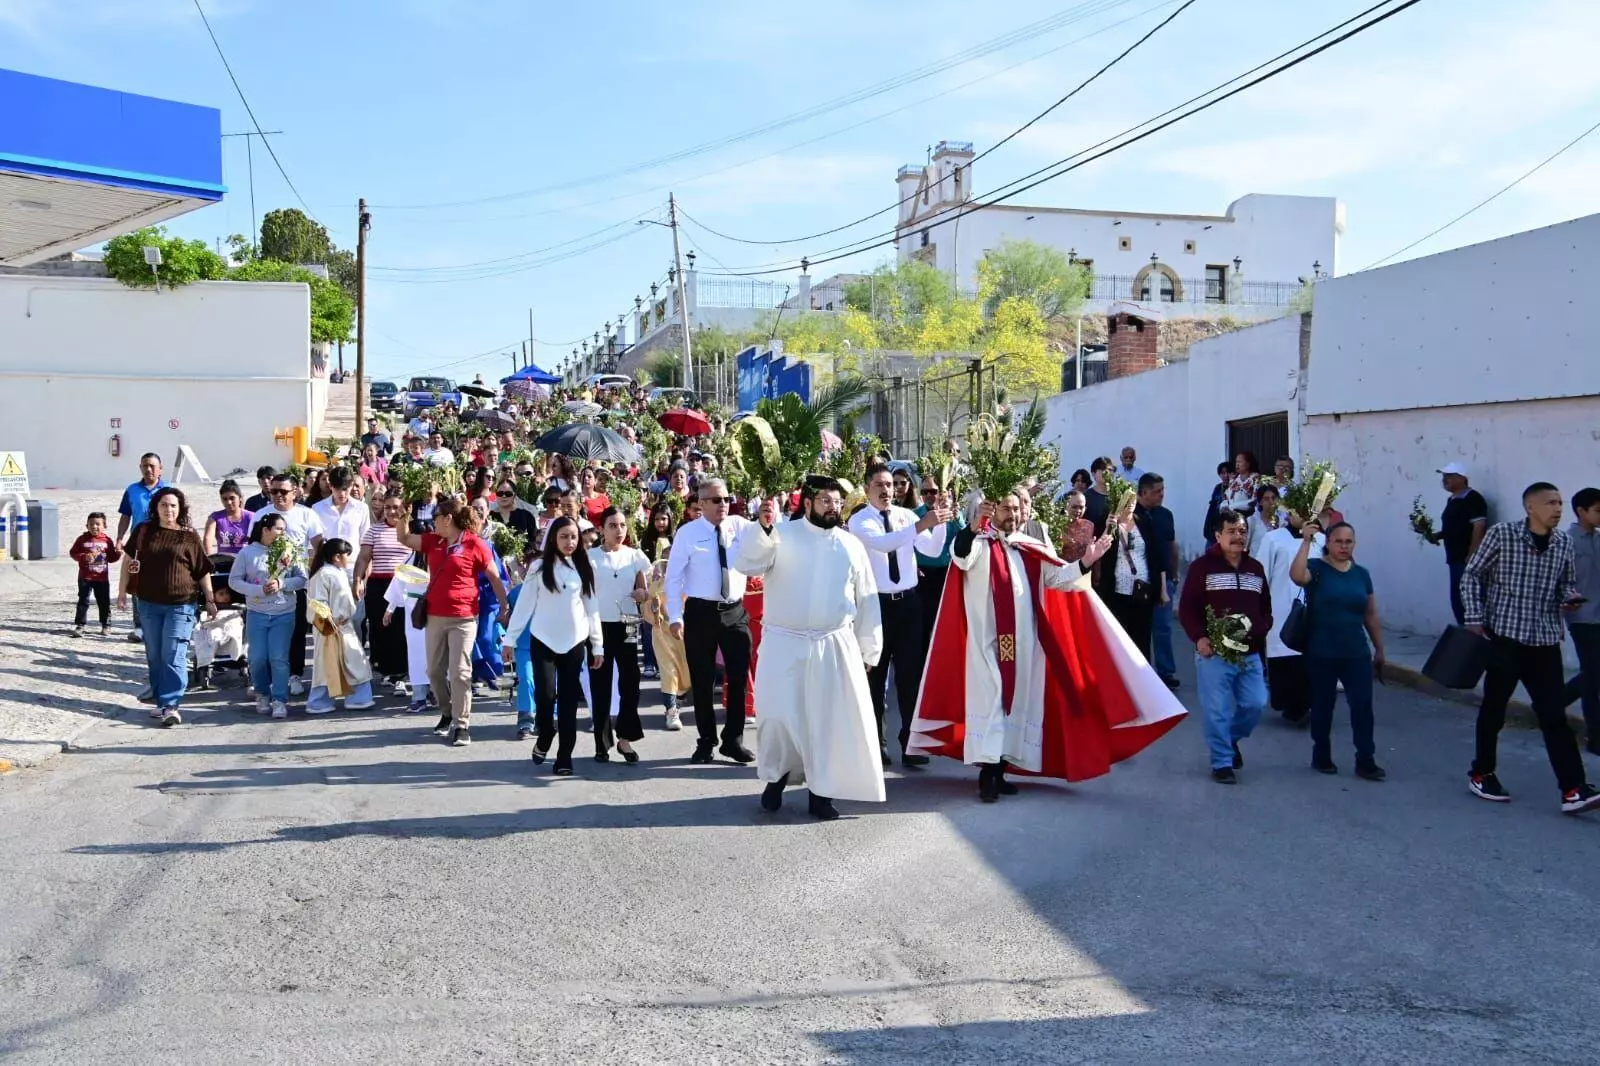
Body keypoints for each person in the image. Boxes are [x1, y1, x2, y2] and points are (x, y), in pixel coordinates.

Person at [911, 492, 1184, 801]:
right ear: (992, 510)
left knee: (1015, 706)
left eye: (1016, 508)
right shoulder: (980, 545)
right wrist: (972, 528)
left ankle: (999, 771)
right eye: (1005, 508)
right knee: (992, 703)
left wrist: (1086, 561)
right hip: (986, 642)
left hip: (1025, 641)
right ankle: (987, 774)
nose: (1012, 514)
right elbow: (960, 555)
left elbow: (1057, 578)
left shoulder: (1030, 546)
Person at [735, 477, 884, 820]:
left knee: (826, 722)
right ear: (807, 504)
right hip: (784, 643)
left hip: (833, 644)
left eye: (836, 502)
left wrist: (869, 649)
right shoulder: (782, 535)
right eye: (825, 502)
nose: (833, 508)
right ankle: (777, 777)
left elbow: (866, 599)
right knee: (778, 717)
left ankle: (821, 793)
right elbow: (748, 563)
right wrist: (764, 526)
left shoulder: (851, 545)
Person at [1462, 483, 1600, 813]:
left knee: (1554, 716)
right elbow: (1471, 575)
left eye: (1560, 503)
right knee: (1494, 710)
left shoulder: (1563, 542)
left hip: (1545, 641)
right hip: (1505, 638)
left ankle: (1573, 789)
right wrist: (1473, 618)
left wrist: (1568, 598)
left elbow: (1565, 584)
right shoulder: (1502, 535)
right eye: (1551, 502)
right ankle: (1482, 773)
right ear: (1530, 507)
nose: (1557, 508)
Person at [848, 464, 951, 767]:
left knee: (909, 676)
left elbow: (932, 550)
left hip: (908, 603)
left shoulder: (906, 517)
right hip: (876, 604)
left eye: (890, 485)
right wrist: (922, 524)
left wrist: (940, 519)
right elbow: (883, 544)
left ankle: (910, 742)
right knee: (876, 678)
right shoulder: (860, 520)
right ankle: (876, 742)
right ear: (867, 489)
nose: (886, 490)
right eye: (879, 485)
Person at [393, 496, 510, 747]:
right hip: (435, 616)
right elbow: (403, 539)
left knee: (459, 672)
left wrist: (504, 605)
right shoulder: (433, 542)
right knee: (434, 671)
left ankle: (461, 724)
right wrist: (403, 516)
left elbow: (494, 576)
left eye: (436, 517)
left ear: (448, 519)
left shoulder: (475, 543)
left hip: (465, 617)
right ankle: (447, 711)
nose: (432, 522)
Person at [502, 516, 604, 775]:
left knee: (569, 703)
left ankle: (564, 756)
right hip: (543, 640)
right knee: (545, 697)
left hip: (574, 643)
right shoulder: (538, 567)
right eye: (563, 536)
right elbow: (524, 605)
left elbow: (592, 609)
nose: (569, 542)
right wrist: (509, 640)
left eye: (573, 536)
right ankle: (546, 733)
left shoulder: (585, 566)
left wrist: (597, 645)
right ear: (553, 539)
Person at [665, 477, 756, 764]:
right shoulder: (688, 534)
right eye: (716, 500)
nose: (723, 505)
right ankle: (706, 740)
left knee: (739, 676)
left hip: (734, 609)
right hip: (701, 612)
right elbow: (674, 577)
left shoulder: (740, 527)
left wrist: (768, 517)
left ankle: (733, 739)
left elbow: (767, 542)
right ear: (701, 504)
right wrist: (675, 617)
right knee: (702, 680)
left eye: (727, 499)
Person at [1178, 508, 1272, 784]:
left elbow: (1266, 610)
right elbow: (1187, 610)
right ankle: (1221, 762)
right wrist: (1200, 638)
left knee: (1255, 704)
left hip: (1250, 654)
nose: (1238, 536)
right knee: (1217, 710)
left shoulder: (1255, 569)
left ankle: (1229, 741)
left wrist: (1259, 631)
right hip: (1214, 654)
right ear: (1218, 536)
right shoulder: (1201, 568)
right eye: (1231, 531)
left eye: (1242, 531)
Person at [1290, 521, 1386, 779]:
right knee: (1323, 704)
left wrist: (1379, 648)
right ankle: (1321, 753)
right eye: (1338, 541)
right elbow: (1297, 576)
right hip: (1322, 651)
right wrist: (1307, 542)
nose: (1344, 546)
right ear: (1328, 543)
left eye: (1349, 542)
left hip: (1356, 651)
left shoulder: (1361, 574)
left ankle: (1365, 758)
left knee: (1362, 705)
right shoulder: (1317, 569)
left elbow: (1370, 613)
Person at [115, 487, 216, 728]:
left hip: (181, 605)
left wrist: (210, 599)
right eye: (163, 505)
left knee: (173, 654)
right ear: (156, 508)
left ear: (180, 509)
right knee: (155, 655)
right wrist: (121, 592)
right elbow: (128, 561)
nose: (168, 509)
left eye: (173, 505)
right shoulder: (143, 531)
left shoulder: (188, 536)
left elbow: (202, 570)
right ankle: (161, 702)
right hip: (148, 603)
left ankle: (171, 704)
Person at [250, 473, 324, 697]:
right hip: (265, 582)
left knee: (296, 631)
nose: (278, 496)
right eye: (274, 491)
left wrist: (311, 575)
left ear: (295, 492)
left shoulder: (306, 514)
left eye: (283, 491)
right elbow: (251, 545)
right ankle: (269, 678)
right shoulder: (261, 515)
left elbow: (318, 546)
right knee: (268, 630)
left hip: (296, 582)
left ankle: (294, 674)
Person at [588, 508, 651, 763]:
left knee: (630, 682)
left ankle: (625, 739)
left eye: (623, 525)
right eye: (613, 525)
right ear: (602, 529)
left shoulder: (635, 556)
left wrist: (641, 594)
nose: (619, 530)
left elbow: (644, 590)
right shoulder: (590, 557)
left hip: (627, 623)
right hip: (599, 625)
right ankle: (602, 743)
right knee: (600, 684)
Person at [230, 513, 306, 718]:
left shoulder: (289, 551)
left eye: (284, 529)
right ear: (265, 529)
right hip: (257, 613)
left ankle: (279, 699)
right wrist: (258, 590)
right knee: (257, 659)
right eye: (279, 529)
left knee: (279, 658)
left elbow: (302, 579)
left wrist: (283, 584)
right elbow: (234, 581)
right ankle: (263, 693)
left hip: (284, 613)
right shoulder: (247, 553)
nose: (283, 533)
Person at [1252, 510, 1322, 725]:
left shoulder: (1322, 539)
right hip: (1281, 606)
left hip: (1314, 607)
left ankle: (1310, 703)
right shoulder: (1273, 539)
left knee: (1312, 657)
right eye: (1294, 512)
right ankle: (1292, 705)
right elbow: (1261, 573)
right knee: (1285, 654)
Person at [305, 538, 375, 713]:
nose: (348, 559)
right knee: (326, 665)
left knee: (355, 660)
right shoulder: (323, 574)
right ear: (337, 557)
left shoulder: (338, 572)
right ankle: (319, 701)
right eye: (347, 555)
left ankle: (358, 698)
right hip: (329, 628)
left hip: (344, 626)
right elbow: (317, 602)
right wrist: (329, 620)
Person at [1100, 477, 1164, 660]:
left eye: (1133, 500)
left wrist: (1162, 590)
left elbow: (1155, 556)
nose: (1130, 505)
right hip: (1118, 590)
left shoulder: (1144, 521)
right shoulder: (1110, 524)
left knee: (1142, 638)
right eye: (1126, 501)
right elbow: (1100, 549)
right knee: (1119, 638)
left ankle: (1143, 680)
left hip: (1143, 589)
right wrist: (1108, 528)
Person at [355, 496, 413, 694]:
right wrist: (358, 579)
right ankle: (387, 670)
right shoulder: (374, 530)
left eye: (396, 507)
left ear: (405, 508)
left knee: (402, 630)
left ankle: (401, 673)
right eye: (388, 507)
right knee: (381, 629)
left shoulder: (411, 530)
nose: (391, 511)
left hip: (405, 585)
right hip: (379, 585)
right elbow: (363, 558)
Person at [1561, 487, 1600, 755]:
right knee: (1593, 676)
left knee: (1594, 678)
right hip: (1582, 618)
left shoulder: (1598, 541)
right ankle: (1555, 702)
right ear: (1581, 511)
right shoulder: (1566, 542)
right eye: (1598, 510)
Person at [1426, 462, 1490, 625]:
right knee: (1457, 599)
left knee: (1469, 599)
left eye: (1450, 477)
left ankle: (1476, 637)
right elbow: (1453, 527)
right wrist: (1437, 535)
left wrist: (1472, 553)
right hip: (1454, 558)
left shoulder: (1473, 498)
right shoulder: (1453, 500)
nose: (1445, 480)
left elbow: (1479, 526)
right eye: (1444, 477)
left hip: (1466, 559)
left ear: (1462, 478)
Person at [1135, 474, 1180, 689]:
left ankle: (1166, 672)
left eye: (1163, 490)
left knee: (1163, 628)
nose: (1162, 495)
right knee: (1140, 628)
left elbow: (1172, 545)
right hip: (1140, 582)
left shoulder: (1165, 515)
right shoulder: (1132, 516)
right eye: (1157, 491)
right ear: (1143, 493)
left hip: (1164, 579)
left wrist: (1174, 572)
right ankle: (1141, 672)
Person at [115, 451, 166, 643]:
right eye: (145, 465)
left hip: (163, 543)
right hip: (138, 544)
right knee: (136, 583)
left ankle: (160, 622)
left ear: (161, 468)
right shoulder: (132, 490)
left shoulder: (168, 489)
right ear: (140, 468)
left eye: (153, 466)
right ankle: (139, 626)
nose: (149, 469)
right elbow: (126, 516)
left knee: (162, 581)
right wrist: (120, 538)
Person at [914, 477, 963, 654]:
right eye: (925, 492)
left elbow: (964, 539)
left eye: (933, 491)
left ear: (943, 492)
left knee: (943, 622)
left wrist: (958, 519)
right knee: (922, 625)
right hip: (922, 576)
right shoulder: (915, 515)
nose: (929, 496)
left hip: (945, 575)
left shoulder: (953, 514)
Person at [68, 511, 121, 637]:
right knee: (83, 601)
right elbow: (73, 553)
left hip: (101, 578)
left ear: (104, 526)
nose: (94, 527)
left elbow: (112, 558)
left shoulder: (107, 541)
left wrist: (118, 553)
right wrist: (84, 556)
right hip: (85, 577)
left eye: (98, 524)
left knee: (104, 602)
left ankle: (106, 625)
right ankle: (80, 625)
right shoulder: (82, 539)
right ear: (87, 525)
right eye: (91, 524)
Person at [312, 467, 371, 576]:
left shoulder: (362, 508)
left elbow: (365, 542)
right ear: (330, 486)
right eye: (337, 489)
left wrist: (364, 574)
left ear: (351, 485)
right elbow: (314, 544)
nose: (342, 494)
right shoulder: (317, 508)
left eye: (345, 489)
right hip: (326, 568)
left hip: (353, 568)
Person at [203, 480, 254, 557]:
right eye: (225, 499)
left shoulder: (251, 517)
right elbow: (207, 539)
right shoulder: (215, 518)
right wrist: (209, 560)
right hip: (223, 562)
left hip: (245, 561)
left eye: (232, 498)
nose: (229, 502)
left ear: (240, 498)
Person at [1247, 483, 1284, 555]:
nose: (1271, 502)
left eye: (1274, 498)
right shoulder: (1252, 521)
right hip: (1256, 564)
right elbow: (1244, 547)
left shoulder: (1283, 522)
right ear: (1260, 502)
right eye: (1266, 499)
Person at [1222, 452, 1260, 518]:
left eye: (1240, 462)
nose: (1237, 464)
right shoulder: (1234, 479)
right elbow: (1226, 497)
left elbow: (1253, 501)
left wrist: (1233, 506)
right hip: (1231, 516)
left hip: (1247, 516)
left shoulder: (1255, 479)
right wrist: (1223, 505)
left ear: (1248, 464)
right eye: (1236, 462)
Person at [1202, 461, 1232, 542]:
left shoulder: (1235, 487)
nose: (1226, 475)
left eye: (1228, 472)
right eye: (1223, 473)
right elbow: (1212, 507)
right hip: (1215, 525)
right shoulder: (1218, 488)